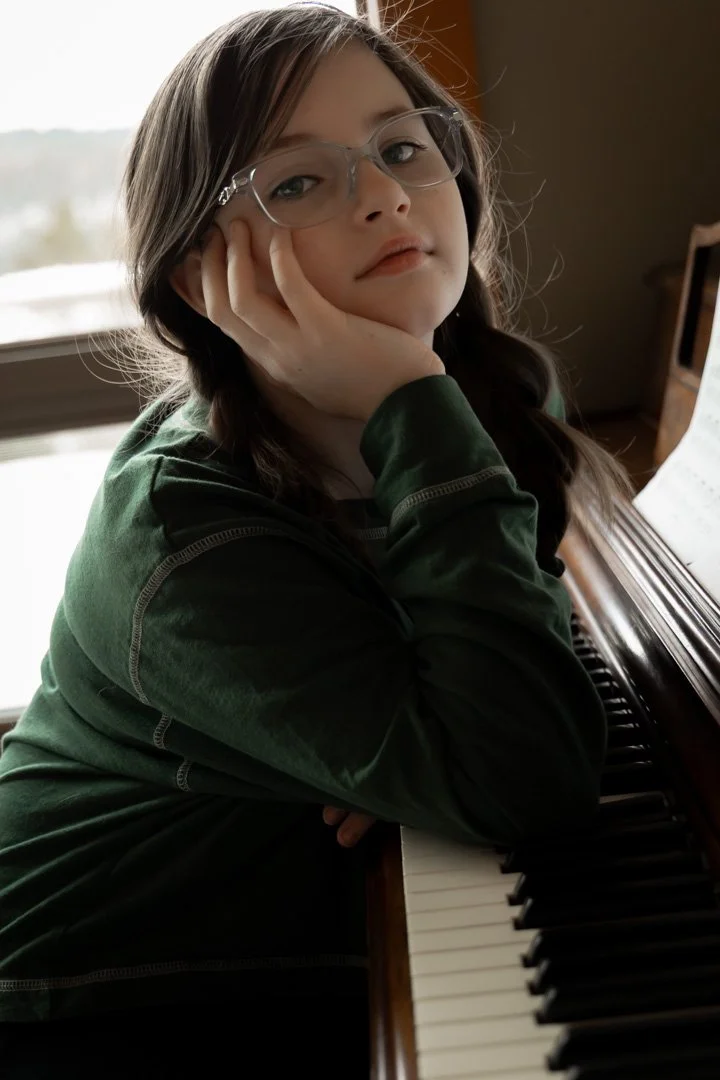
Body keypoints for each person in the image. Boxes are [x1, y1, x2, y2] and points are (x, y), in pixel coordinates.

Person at [0, 3, 630, 1076]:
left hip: (295, 930)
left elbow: (505, 697)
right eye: (299, 181)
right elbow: (522, 771)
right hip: (90, 1002)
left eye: (401, 146)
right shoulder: (179, 532)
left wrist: (401, 736)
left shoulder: (502, 393)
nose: (385, 193)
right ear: (203, 280)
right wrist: (411, 398)